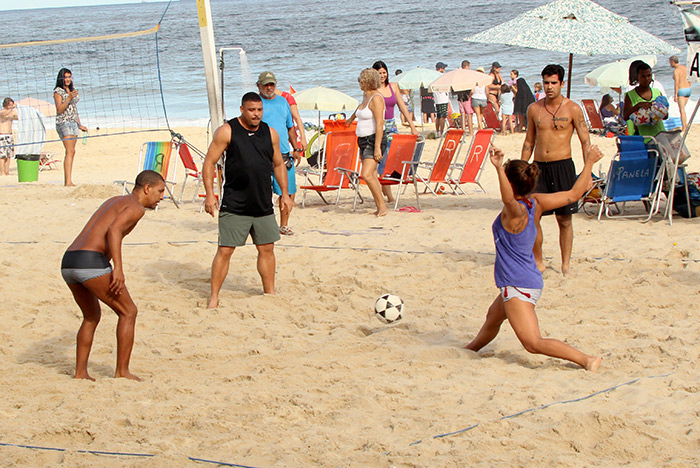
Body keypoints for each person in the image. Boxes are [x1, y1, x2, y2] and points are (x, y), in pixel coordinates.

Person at [465, 146, 603, 372]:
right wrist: (588, 163)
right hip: (525, 279)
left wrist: (498, 168)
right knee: (493, 318)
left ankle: (586, 359)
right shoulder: (536, 203)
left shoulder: (516, 211)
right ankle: (469, 350)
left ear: (510, 184)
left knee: (532, 343)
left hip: (519, 284)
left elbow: (508, 200)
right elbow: (574, 194)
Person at [62, 170, 165, 381]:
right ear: (147, 188)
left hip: (69, 261)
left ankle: (81, 373)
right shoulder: (136, 208)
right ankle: (122, 371)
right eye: (160, 191)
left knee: (91, 316)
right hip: (90, 262)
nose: (162, 196)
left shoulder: (116, 200)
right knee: (129, 312)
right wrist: (118, 268)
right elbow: (114, 230)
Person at [203, 92, 293, 308]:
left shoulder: (270, 133)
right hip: (235, 203)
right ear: (242, 109)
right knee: (225, 250)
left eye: (259, 110)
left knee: (267, 248)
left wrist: (285, 193)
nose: (256, 114)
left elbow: (278, 164)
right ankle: (214, 297)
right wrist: (209, 194)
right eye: (252, 110)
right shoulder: (227, 131)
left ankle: (269, 293)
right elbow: (209, 162)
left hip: (262, 203)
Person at [521, 64, 591, 276]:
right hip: (539, 167)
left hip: (563, 166)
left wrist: (587, 173)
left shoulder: (573, 109)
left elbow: (585, 141)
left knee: (564, 219)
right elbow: (528, 142)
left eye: (553, 83)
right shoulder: (534, 109)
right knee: (533, 217)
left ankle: (565, 265)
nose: (549, 87)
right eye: (546, 83)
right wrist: (521, 172)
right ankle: (538, 261)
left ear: (562, 84)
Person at [257, 71, 303, 236]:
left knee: (288, 191)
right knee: (262, 193)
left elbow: (290, 127)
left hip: (283, 154)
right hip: (261, 154)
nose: (269, 88)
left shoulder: (283, 102)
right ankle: (264, 224)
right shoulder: (255, 103)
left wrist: (296, 148)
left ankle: (284, 225)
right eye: (266, 84)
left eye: (272, 84)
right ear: (259, 86)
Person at [372, 60, 418, 203]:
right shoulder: (372, 90)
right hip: (378, 126)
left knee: (393, 158)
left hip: (392, 125)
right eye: (379, 73)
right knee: (382, 161)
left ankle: (387, 190)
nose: (382, 75)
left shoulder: (393, 86)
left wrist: (412, 125)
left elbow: (402, 107)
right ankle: (389, 195)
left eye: (384, 72)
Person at [346, 68, 388, 217]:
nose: (359, 82)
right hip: (363, 140)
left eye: (361, 80)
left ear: (367, 81)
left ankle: (382, 206)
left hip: (373, 139)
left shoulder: (376, 98)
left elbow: (379, 123)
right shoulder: (366, 96)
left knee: (367, 174)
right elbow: (360, 108)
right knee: (373, 175)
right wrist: (351, 119)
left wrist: (377, 148)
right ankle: (380, 206)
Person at [53, 68, 88, 187]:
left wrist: (80, 124)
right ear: (61, 78)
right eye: (65, 77)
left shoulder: (72, 90)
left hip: (73, 122)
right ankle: (67, 181)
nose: (68, 79)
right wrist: (68, 98)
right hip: (64, 122)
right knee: (69, 151)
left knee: (72, 151)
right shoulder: (58, 92)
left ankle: (69, 180)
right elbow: (59, 110)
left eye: (69, 77)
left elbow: (74, 109)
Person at [623, 60, 666, 139]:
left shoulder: (657, 92)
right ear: (637, 77)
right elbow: (625, 117)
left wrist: (657, 109)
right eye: (643, 76)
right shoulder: (630, 95)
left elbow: (666, 116)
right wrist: (637, 106)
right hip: (642, 136)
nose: (646, 79)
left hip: (660, 134)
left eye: (649, 75)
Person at [670, 55, 691, 132]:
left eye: (670, 62)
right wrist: (689, 86)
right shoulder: (685, 68)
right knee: (683, 110)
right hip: (688, 89)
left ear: (673, 62)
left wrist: (675, 94)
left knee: (682, 110)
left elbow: (677, 83)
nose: (670, 64)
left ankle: (684, 128)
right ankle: (685, 125)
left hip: (681, 90)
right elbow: (690, 78)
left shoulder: (676, 71)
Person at [456, 60, 474, 135]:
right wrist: (469, 95)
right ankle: (471, 131)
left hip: (460, 96)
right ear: (467, 66)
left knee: (463, 114)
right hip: (466, 96)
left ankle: (463, 130)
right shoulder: (467, 75)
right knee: (469, 114)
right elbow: (472, 89)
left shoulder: (459, 75)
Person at [0, 97, 18, 176]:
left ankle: (7, 171)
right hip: (2, 135)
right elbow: (4, 115)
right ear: (6, 104)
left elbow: (17, 117)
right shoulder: (2, 112)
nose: (11, 106)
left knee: (9, 155)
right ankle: (2, 172)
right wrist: (12, 109)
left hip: (9, 135)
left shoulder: (12, 112)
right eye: (10, 105)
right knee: (2, 156)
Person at [433, 62, 450, 134]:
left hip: (437, 99)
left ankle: (437, 131)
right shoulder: (441, 76)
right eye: (443, 68)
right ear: (440, 69)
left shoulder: (433, 77)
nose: (444, 70)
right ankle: (441, 132)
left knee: (439, 116)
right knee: (443, 116)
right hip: (443, 98)